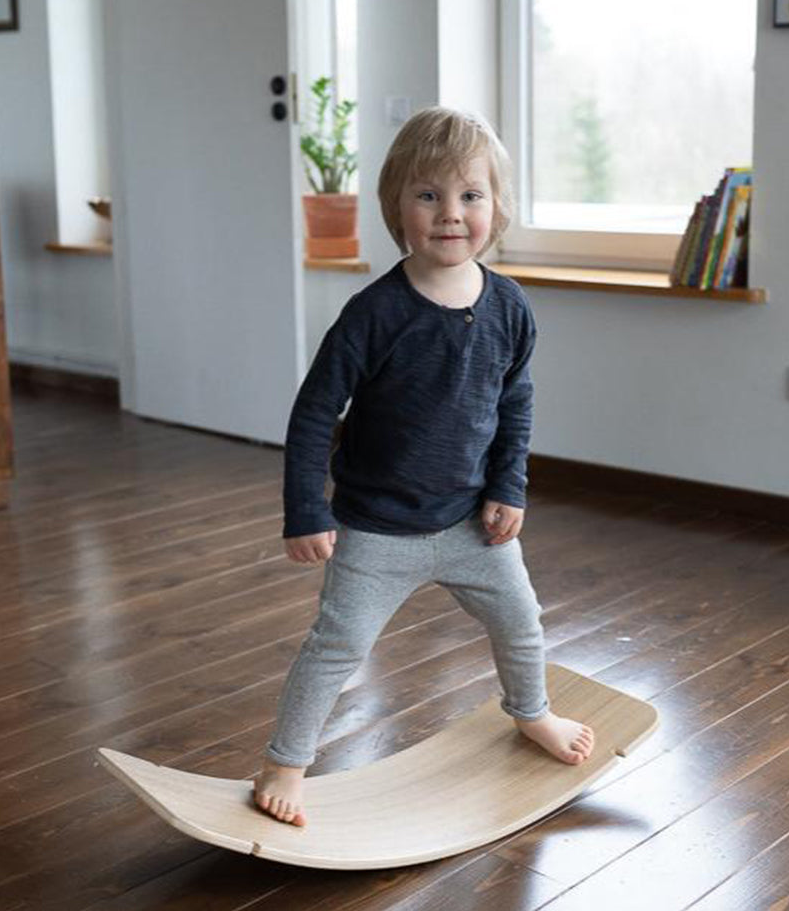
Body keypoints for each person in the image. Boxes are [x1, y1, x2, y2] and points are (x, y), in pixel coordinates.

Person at [253, 106, 594, 827]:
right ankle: (286, 761)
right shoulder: (373, 314)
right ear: (396, 209)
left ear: (497, 209)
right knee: (336, 648)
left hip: (472, 522)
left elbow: (515, 404)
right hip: (376, 529)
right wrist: (306, 510)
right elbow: (315, 413)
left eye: (471, 195)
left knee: (522, 621)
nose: (450, 214)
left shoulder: (509, 307)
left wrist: (509, 487)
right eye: (428, 195)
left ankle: (530, 713)